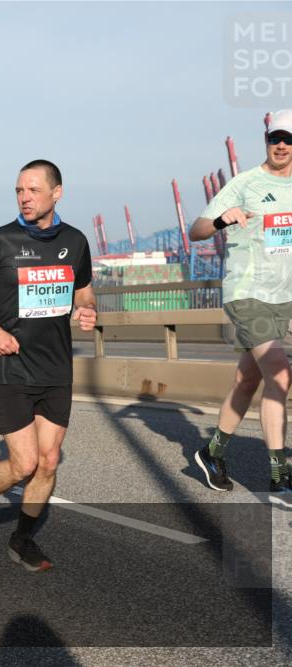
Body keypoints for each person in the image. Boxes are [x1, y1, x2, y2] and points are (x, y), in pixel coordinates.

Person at [0, 159, 96, 572]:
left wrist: (87, 309)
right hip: (8, 365)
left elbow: (84, 288)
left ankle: (22, 538)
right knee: (25, 464)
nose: (24, 197)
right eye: (19, 190)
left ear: (57, 192)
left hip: (55, 365)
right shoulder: (1, 240)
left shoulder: (76, 240)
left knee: (49, 461)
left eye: (33, 190)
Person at [189, 109, 292, 494]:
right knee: (279, 374)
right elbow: (196, 230)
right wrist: (220, 220)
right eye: (275, 137)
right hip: (247, 293)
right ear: (266, 139)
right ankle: (279, 477)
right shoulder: (245, 183)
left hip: (284, 295)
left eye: (289, 139)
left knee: (249, 378)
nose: (282, 145)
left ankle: (213, 452)